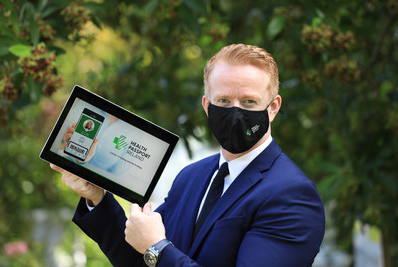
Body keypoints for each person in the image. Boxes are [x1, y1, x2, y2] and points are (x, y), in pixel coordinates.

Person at [51, 43, 325, 266]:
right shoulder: (192, 177)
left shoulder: (291, 195)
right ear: (207, 105)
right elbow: (142, 261)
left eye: (249, 102)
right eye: (224, 101)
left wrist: (157, 247)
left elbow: (156, 251)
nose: (235, 112)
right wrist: (96, 198)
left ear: (273, 107)